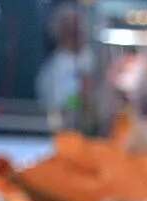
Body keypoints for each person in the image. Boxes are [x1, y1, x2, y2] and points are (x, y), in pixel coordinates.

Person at [38, 3, 92, 133]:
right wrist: (80, 98)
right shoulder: (54, 69)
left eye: (79, 24)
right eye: (71, 26)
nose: (77, 30)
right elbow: (59, 106)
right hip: (69, 134)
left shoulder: (90, 56)